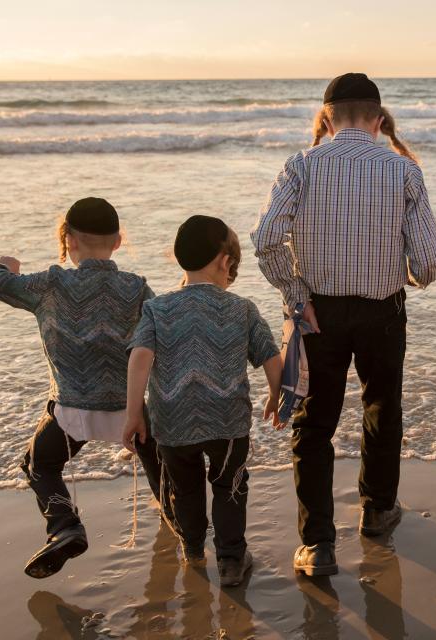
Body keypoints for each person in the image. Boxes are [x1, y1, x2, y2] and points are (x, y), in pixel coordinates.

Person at [251, 72, 436, 576]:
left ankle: (317, 544)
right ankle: (378, 512)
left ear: (325, 118)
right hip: (383, 312)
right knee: (383, 409)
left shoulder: (301, 165)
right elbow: (426, 264)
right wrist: (400, 272)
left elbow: (267, 238)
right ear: (379, 120)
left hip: (318, 314)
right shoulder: (403, 171)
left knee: (314, 424)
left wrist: (296, 296)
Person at [0, 197, 167, 578]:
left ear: (68, 240)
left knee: (38, 465)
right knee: (159, 466)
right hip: (130, 410)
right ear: (118, 241)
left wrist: (2, 266)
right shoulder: (136, 288)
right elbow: (161, 332)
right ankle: (183, 521)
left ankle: (64, 526)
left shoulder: (50, 283)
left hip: (71, 411)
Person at [124, 215, 283, 586]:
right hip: (227, 422)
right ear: (225, 262)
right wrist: (278, 396)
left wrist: (134, 414)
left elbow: (140, 358)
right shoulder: (242, 309)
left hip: (172, 422)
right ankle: (230, 559)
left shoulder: (157, 309)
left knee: (185, 488)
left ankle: (193, 548)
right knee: (230, 487)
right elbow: (271, 359)